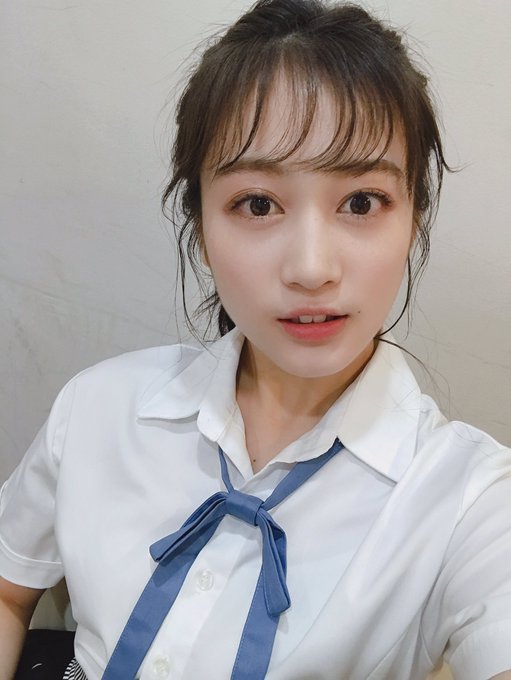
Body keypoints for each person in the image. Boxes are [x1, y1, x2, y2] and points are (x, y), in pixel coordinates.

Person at [1, 0, 510, 678]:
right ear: (200, 226)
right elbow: (8, 589)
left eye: (361, 202)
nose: (311, 268)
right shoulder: (99, 407)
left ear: (413, 217)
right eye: (258, 204)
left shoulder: (471, 503)